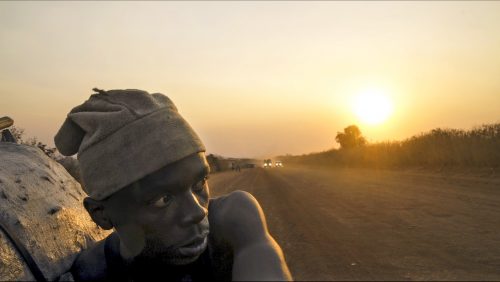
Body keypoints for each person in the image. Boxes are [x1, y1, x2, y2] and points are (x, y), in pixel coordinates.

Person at [54, 89, 292, 281]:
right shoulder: (91, 272)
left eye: (199, 183)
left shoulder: (233, 220)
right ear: (101, 214)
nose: (198, 212)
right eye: (162, 199)